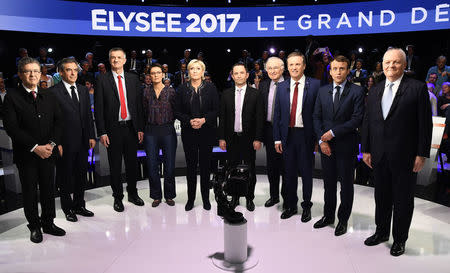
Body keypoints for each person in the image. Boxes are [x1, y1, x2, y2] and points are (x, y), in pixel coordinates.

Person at [361, 48, 432, 256]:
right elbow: (368, 122)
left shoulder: (417, 88)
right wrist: (365, 149)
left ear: (404, 65)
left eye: (396, 62)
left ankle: (400, 239)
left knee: (403, 200)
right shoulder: (375, 89)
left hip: (406, 156)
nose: (391, 66)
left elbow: (424, 125)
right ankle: (381, 232)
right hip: (379, 155)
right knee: (381, 197)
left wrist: (421, 154)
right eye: (387, 62)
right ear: (382, 65)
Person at [3, 57, 65, 243]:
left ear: (41, 74)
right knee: (30, 191)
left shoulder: (50, 96)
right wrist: (35, 147)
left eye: (36, 71)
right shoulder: (11, 97)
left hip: (48, 152)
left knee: (48, 189)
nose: (33, 75)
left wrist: (51, 145)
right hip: (27, 155)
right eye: (28, 71)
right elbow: (12, 128)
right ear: (21, 74)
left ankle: (48, 222)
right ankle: (34, 226)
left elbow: (59, 123)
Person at [312, 55, 365, 236]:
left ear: (348, 70)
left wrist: (332, 133)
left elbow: (357, 119)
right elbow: (316, 117)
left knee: (346, 186)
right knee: (328, 185)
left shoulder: (357, 91)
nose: (338, 72)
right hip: (326, 147)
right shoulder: (322, 90)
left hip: (346, 146)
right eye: (335, 68)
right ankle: (328, 216)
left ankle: (343, 220)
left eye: (342, 68)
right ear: (330, 70)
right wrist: (321, 140)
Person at [95, 47, 145, 212]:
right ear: (110, 61)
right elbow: (99, 109)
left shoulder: (133, 79)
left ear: (124, 60)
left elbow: (138, 106)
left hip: (131, 127)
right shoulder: (102, 79)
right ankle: (118, 197)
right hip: (113, 129)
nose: (116, 60)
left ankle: (133, 193)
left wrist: (140, 128)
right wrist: (102, 131)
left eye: (119, 57)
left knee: (132, 164)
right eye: (113, 58)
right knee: (115, 165)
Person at [273, 51, 320, 220]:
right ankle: (291, 205)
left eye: (297, 64)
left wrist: (317, 138)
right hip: (287, 135)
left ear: (304, 66)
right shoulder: (281, 86)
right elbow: (277, 114)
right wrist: (277, 138)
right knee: (289, 173)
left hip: (306, 135)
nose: (294, 67)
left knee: (307, 173)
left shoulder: (315, 85)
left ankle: (306, 207)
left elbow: (318, 113)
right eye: (291, 64)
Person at [50, 58, 96, 222]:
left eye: (75, 70)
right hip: (65, 143)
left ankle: (79, 205)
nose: (72, 73)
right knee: (65, 177)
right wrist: (57, 143)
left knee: (81, 175)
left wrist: (91, 135)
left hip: (83, 141)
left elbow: (88, 116)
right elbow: (53, 121)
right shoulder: (53, 92)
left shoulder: (83, 90)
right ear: (61, 72)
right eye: (68, 70)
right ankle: (67, 208)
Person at [218, 63, 263, 211]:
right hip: (231, 138)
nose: (238, 76)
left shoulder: (255, 94)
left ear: (247, 75)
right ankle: (235, 197)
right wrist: (222, 138)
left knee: (250, 169)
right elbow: (223, 119)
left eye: (241, 73)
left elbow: (259, 119)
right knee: (232, 169)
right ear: (232, 75)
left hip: (249, 139)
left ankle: (250, 198)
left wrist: (258, 138)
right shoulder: (225, 94)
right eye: (235, 73)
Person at [175, 59, 219, 211]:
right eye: (192, 68)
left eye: (198, 68)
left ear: (202, 71)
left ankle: (206, 199)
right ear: (188, 71)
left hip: (206, 132)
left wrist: (204, 120)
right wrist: (189, 121)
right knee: (191, 168)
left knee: (206, 167)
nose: (194, 71)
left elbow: (216, 110)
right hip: (189, 132)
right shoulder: (181, 89)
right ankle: (191, 199)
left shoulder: (211, 88)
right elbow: (177, 111)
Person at [142, 64, 177, 208]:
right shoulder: (145, 92)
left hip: (168, 130)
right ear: (149, 76)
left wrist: (167, 122)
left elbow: (175, 110)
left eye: (158, 73)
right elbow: (143, 111)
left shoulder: (171, 91)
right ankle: (156, 196)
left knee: (169, 166)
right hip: (150, 131)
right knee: (152, 165)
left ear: (163, 75)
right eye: (152, 73)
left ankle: (169, 195)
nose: (155, 75)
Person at [259, 57, 286, 208]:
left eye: (276, 68)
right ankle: (274, 196)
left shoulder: (289, 84)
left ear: (282, 69)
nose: (273, 71)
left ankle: (287, 198)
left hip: (286, 131)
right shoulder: (263, 85)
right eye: (269, 68)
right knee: (272, 166)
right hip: (269, 130)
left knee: (286, 166)